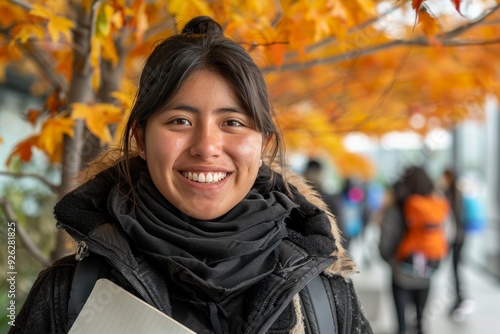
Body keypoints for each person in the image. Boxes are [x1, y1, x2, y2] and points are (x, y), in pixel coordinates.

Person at [11, 16, 373, 334]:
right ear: (140, 136)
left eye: (232, 122)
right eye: (180, 121)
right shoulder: (70, 293)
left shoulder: (322, 298)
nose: (206, 146)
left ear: (264, 142)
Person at [378, 166, 449, 334]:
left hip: (401, 273)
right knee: (420, 323)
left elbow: (385, 244)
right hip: (426, 272)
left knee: (402, 327)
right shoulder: (435, 206)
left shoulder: (396, 208)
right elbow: (445, 235)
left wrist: (393, 262)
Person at [439, 168, 475, 321]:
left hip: (455, 238)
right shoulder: (457, 192)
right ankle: (459, 298)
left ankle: (460, 298)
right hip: (460, 237)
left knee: (454, 269)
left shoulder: (451, 194)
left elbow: (449, 217)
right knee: (454, 269)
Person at [302, 158, 348, 248]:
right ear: (320, 173)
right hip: (324, 251)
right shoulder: (329, 199)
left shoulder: (293, 195)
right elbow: (341, 229)